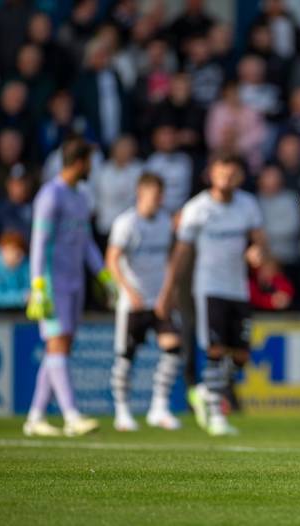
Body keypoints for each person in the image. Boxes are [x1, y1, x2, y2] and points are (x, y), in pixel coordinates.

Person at [158, 155, 268, 437]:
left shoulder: (247, 205)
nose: (227, 179)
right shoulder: (197, 208)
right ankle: (217, 414)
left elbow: (259, 241)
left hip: (238, 288)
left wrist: (258, 253)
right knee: (216, 351)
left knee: (241, 355)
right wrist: (168, 291)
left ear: (240, 177)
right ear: (211, 174)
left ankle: (207, 390)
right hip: (209, 288)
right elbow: (181, 253)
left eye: (232, 174)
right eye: (222, 174)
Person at [23, 136, 116, 437]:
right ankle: (71, 415)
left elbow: (86, 241)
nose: (92, 168)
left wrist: (102, 275)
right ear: (79, 163)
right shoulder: (50, 196)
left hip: (74, 281)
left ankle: (35, 417)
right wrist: (38, 285)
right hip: (53, 283)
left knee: (60, 348)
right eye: (90, 162)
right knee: (57, 345)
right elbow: (39, 243)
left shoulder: (80, 196)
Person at [106, 173, 182, 432]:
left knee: (173, 349)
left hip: (158, 299)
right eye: (153, 195)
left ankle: (159, 407)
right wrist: (128, 291)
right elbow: (112, 259)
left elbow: (171, 259)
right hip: (133, 302)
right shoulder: (126, 223)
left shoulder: (165, 221)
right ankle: (122, 411)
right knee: (126, 357)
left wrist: (167, 293)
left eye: (160, 195)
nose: (157, 200)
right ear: (141, 193)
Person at [0, 230, 29, 309]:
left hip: (23, 314)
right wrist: (21, 297)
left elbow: (31, 289)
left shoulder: (25, 265)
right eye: (8, 250)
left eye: (17, 252)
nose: (12, 254)